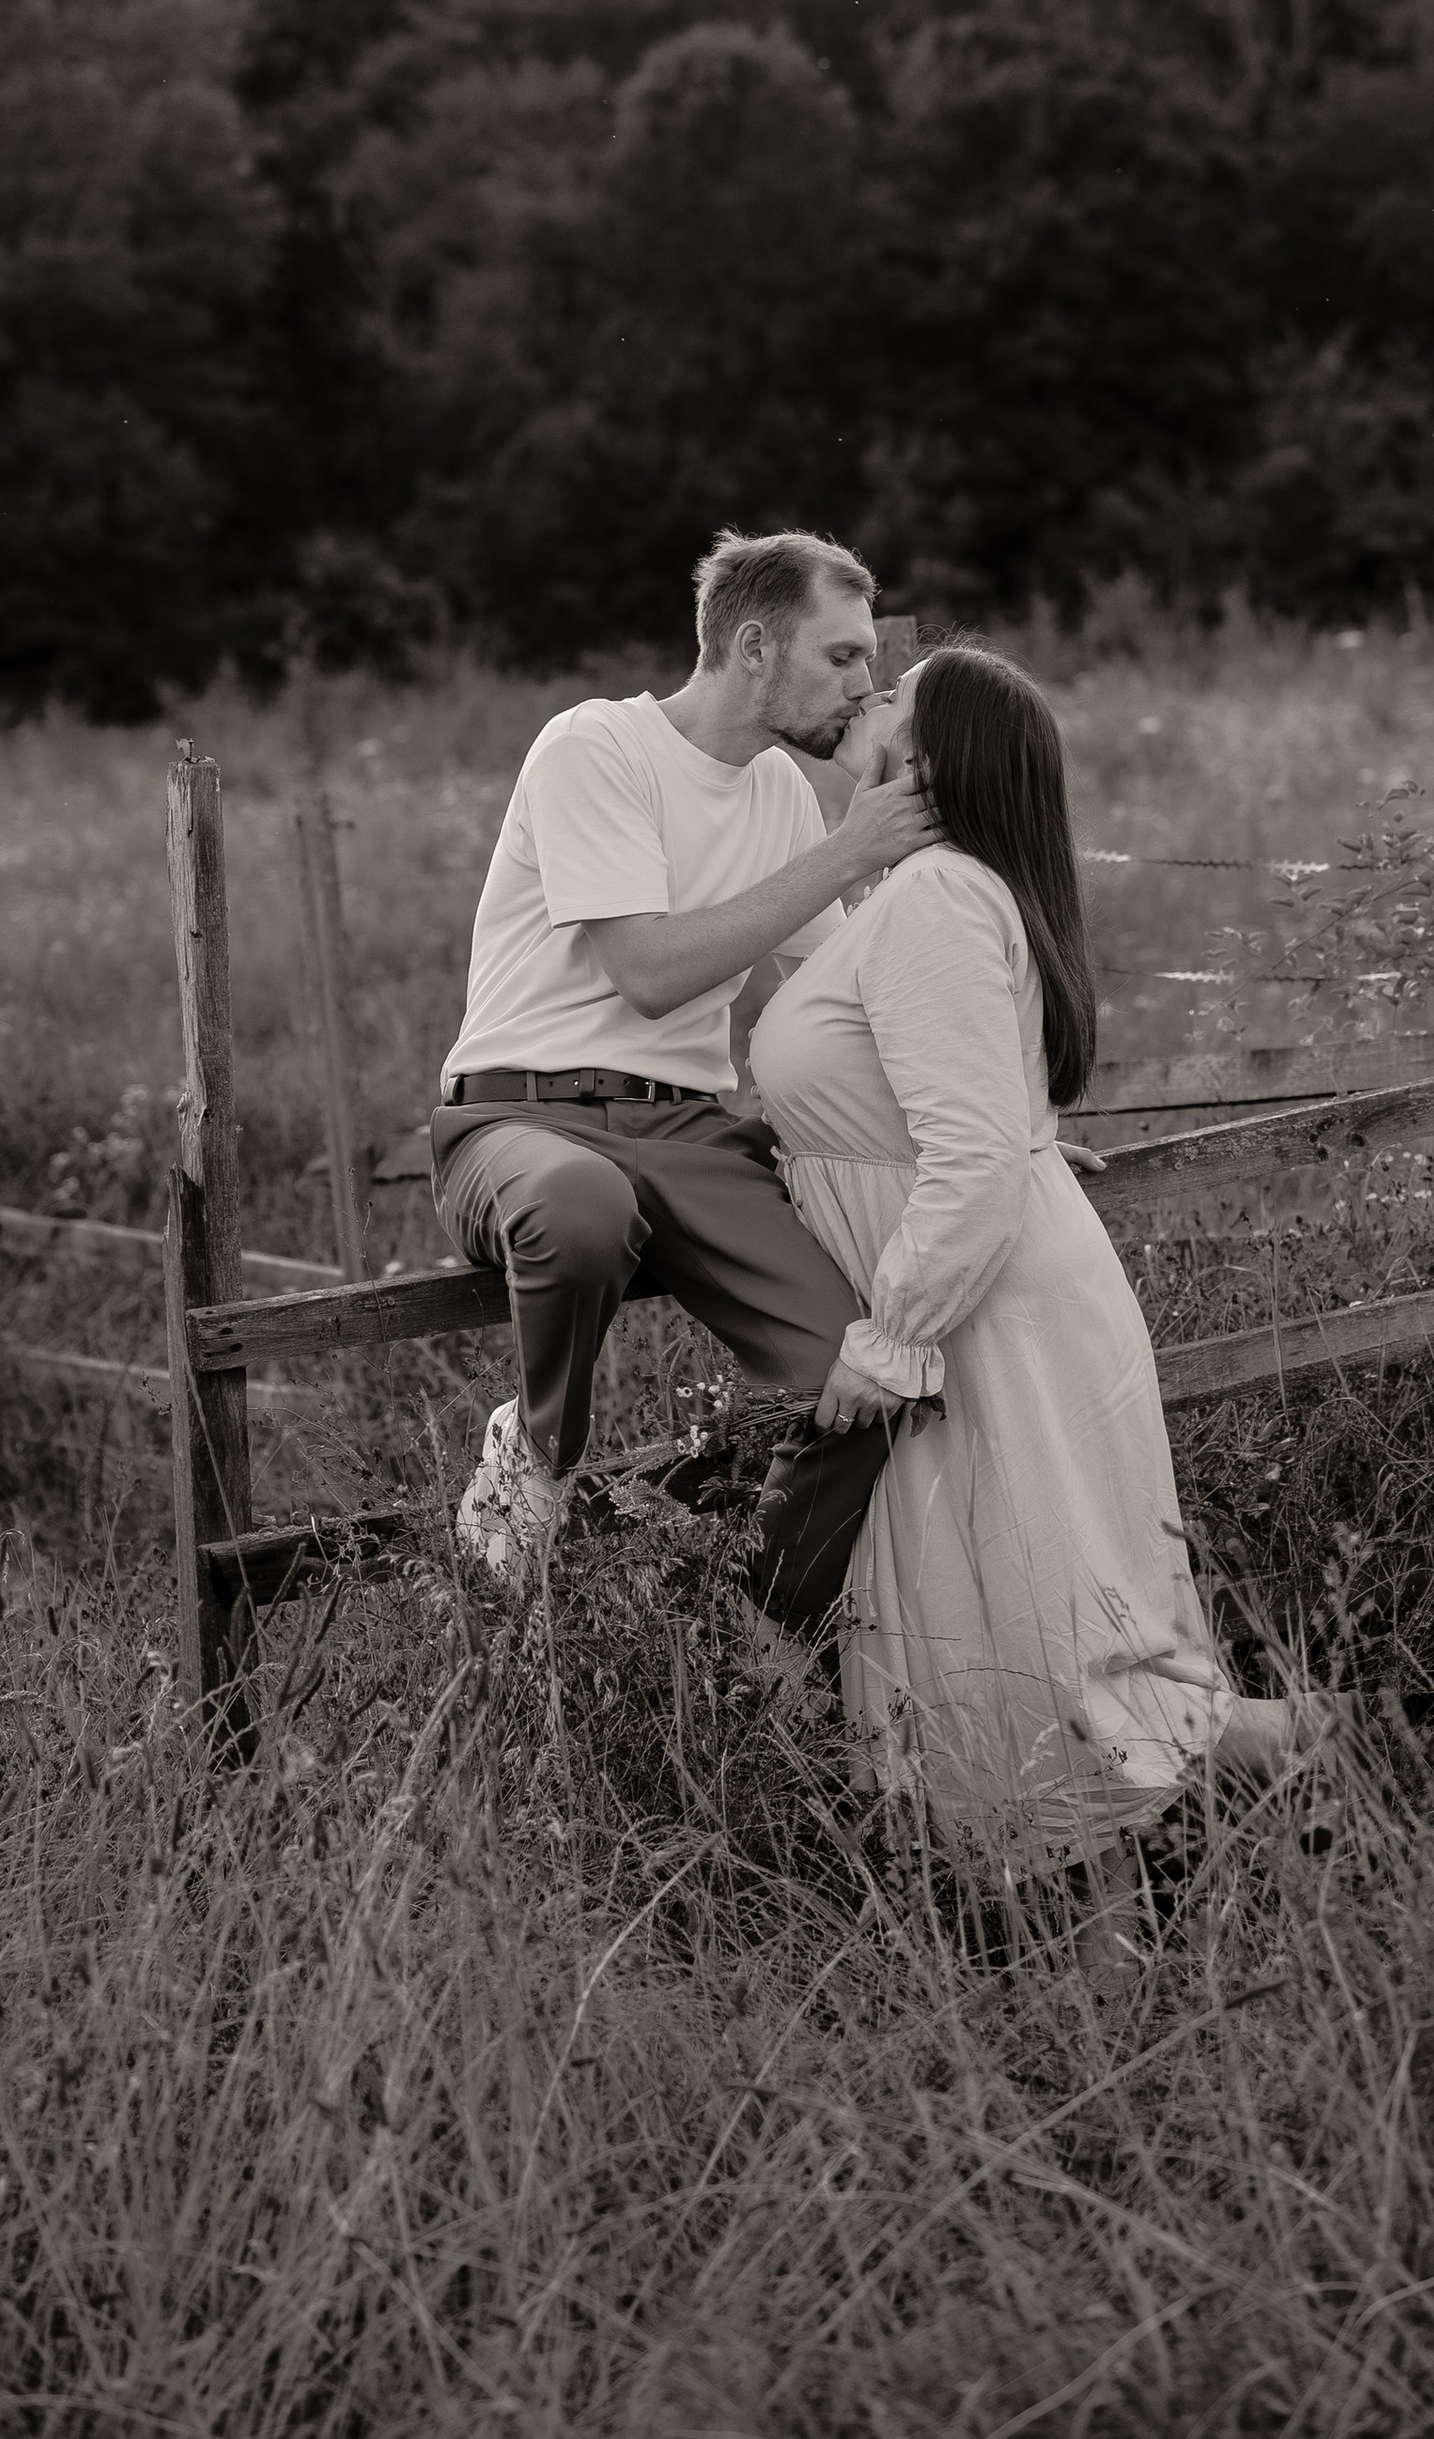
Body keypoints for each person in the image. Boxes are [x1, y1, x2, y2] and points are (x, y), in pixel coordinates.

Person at [748, 644, 1327, 1925]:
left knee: (1041, 1633)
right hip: (975, 1297)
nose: (868, 697)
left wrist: (894, 1336)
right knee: (1028, 1625)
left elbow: (967, 1161)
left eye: (893, 694)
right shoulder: (918, 891)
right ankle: (1125, 1924)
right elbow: (959, 1113)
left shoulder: (935, 896)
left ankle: (1322, 1775)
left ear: (931, 755)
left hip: (970, 1316)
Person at [433, 526, 939, 1628]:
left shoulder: (781, 794)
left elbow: (845, 1002)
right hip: (520, 1120)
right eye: (842, 656)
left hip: (688, 1134)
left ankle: (748, 1639)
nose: (866, 684)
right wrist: (849, 851)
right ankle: (536, 1452)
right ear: (754, 647)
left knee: (859, 1377)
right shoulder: (594, 745)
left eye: (867, 658)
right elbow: (650, 973)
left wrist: (985, 1126)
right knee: (580, 1204)